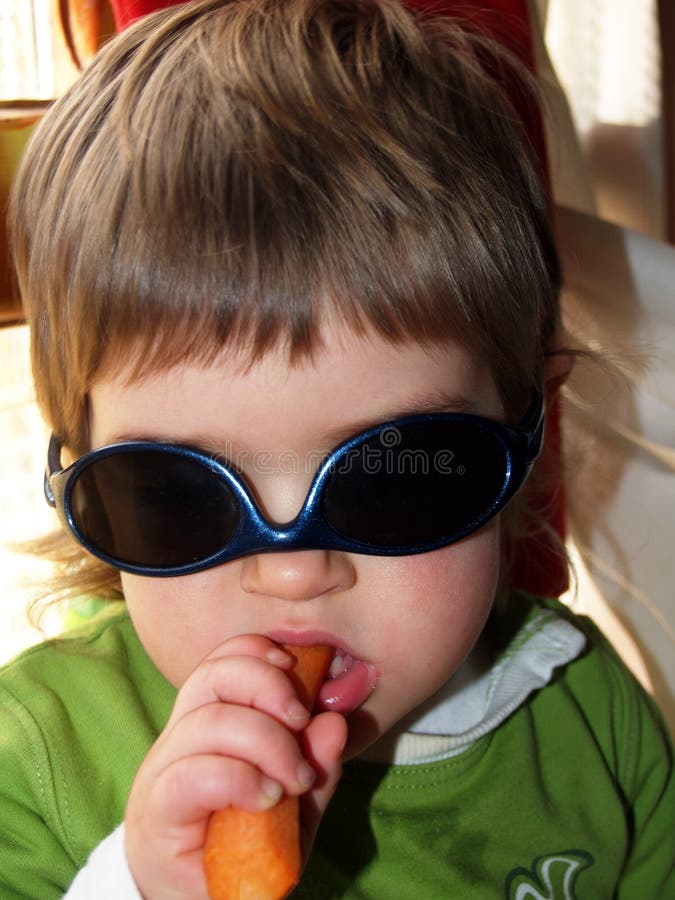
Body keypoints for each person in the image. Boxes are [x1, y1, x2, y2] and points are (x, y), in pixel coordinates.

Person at [2, 1, 672, 896]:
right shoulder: (34, 755)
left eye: (394, 477)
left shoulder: (594, 723)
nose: (294, 571)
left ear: (530, 436)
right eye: (175, 493)